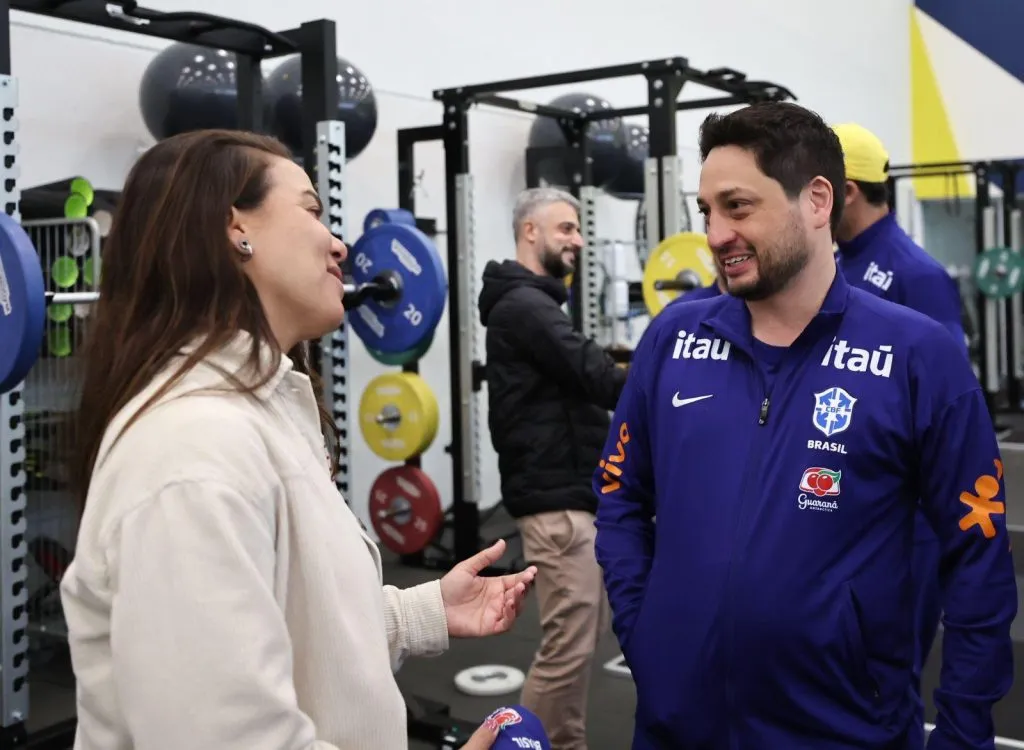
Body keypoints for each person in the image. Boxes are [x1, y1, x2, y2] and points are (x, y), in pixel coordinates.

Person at [58, 129, 537, 750]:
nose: (340, 244)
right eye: (312, 211)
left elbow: (298, 625)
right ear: (237, 229)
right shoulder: (192, 450)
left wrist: (424, 612)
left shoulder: (263, 411)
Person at [594, 102, 1017, 749]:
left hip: (845, 727)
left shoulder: (917, 354)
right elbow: (619, 495)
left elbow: (978, 558)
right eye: (706, 211)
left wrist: (962, 734)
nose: (715, 234)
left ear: (818, 200)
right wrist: (646, 629)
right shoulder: (673, 337)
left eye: (738, 207)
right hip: (676, 726)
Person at [832, 121, 970, 748]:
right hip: (844, 508)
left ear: (846, 191)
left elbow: (951, 412)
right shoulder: (838, 265)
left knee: (886, 685)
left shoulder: (917, 275)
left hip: (904, 524)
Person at [478, 187, 628, 750]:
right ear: (530, 231)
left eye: (578, 229)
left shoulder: (534, 305)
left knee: (581, 640)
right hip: (555, 504)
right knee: (567, 648)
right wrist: (670, 366)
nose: (578, 240)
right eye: (566, 228)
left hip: (569, 496)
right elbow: (597, 376)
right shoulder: (525, 307)